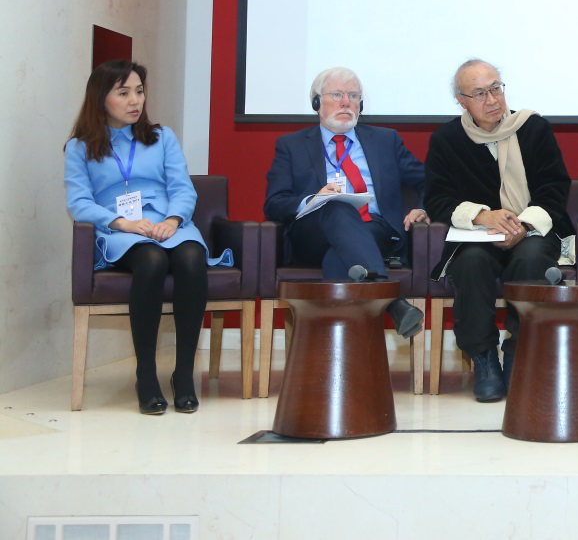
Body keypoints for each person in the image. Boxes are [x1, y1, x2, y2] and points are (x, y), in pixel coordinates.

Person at [65, 60, 227, 415]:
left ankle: (183, 375)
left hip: (169, 222)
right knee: (151, 260)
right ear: (101, 97)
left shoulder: (162, 137)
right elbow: (79, 203)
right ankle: (147, 376)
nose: (134, 100)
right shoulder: (80, 147)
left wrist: (173, 219)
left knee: (191, 258)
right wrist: (121, 223)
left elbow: (182, 188)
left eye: (139, 91)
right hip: (120, 229)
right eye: (123, 92)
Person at [424, 60, 576, 402]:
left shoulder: (533, 128)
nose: (492, 100)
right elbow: (437, 199)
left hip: (532, 229)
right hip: (478, 234)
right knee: (471, 263)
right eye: (480, 93)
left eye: (496, 88)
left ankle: (521, 351)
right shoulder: (447, 139)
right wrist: (482, 216)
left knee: (532, 259)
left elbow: (554, 188)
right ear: (462, 101)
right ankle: (484, 358)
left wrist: (523, 224)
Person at [264, 67, 428, 337]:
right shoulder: (291, 145)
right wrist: (315, 199)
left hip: (374, 228)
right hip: (312, 233)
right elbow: (273, 203)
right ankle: (391, 300)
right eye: (337, 94)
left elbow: (429, 180)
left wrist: (422, 207)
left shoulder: (385, 140)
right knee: (337, 206)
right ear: (317, 103)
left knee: (339, 259)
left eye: (353, 96)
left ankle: (333, 353)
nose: (346, 102)